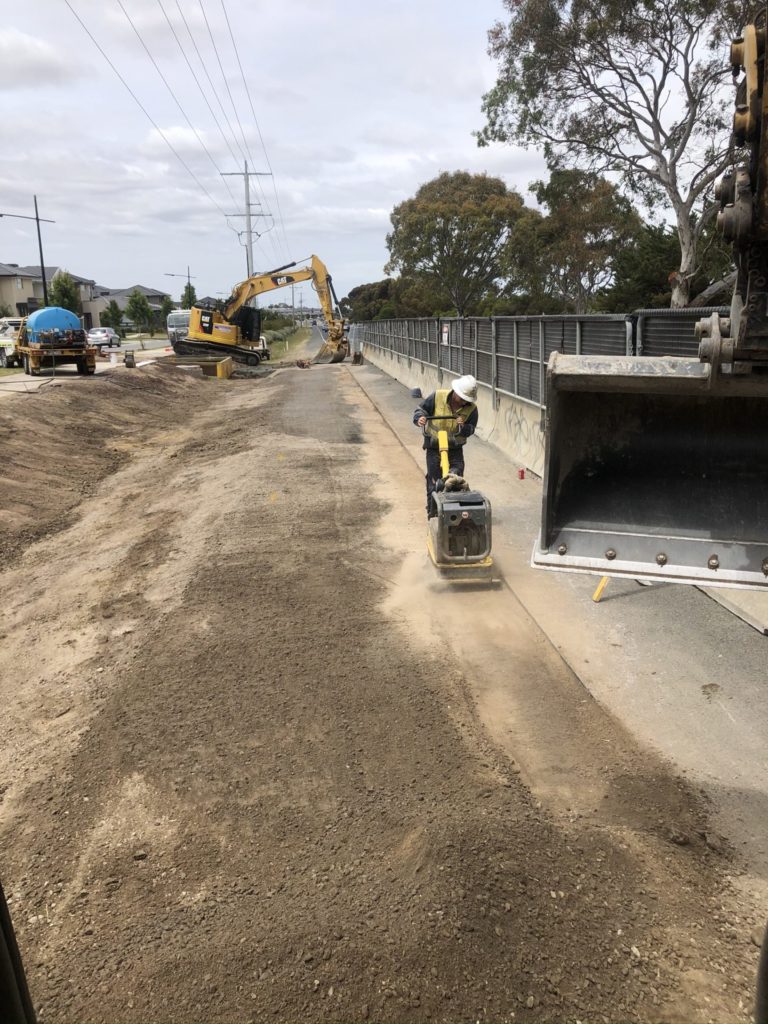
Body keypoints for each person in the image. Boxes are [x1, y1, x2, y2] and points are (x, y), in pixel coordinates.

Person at [413, 374, 479, 518]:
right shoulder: (437, 396)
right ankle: (433, 512)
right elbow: (420, 410)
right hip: (433, 445)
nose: (463, 403)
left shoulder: (472, 409)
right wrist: (420, 418)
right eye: (462, 398)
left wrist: (464, 427)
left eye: (466, 400)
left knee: (456, 478)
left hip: (455, 447)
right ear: (455, 391)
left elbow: (471, 429)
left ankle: (453, 511)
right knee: (434, 481)